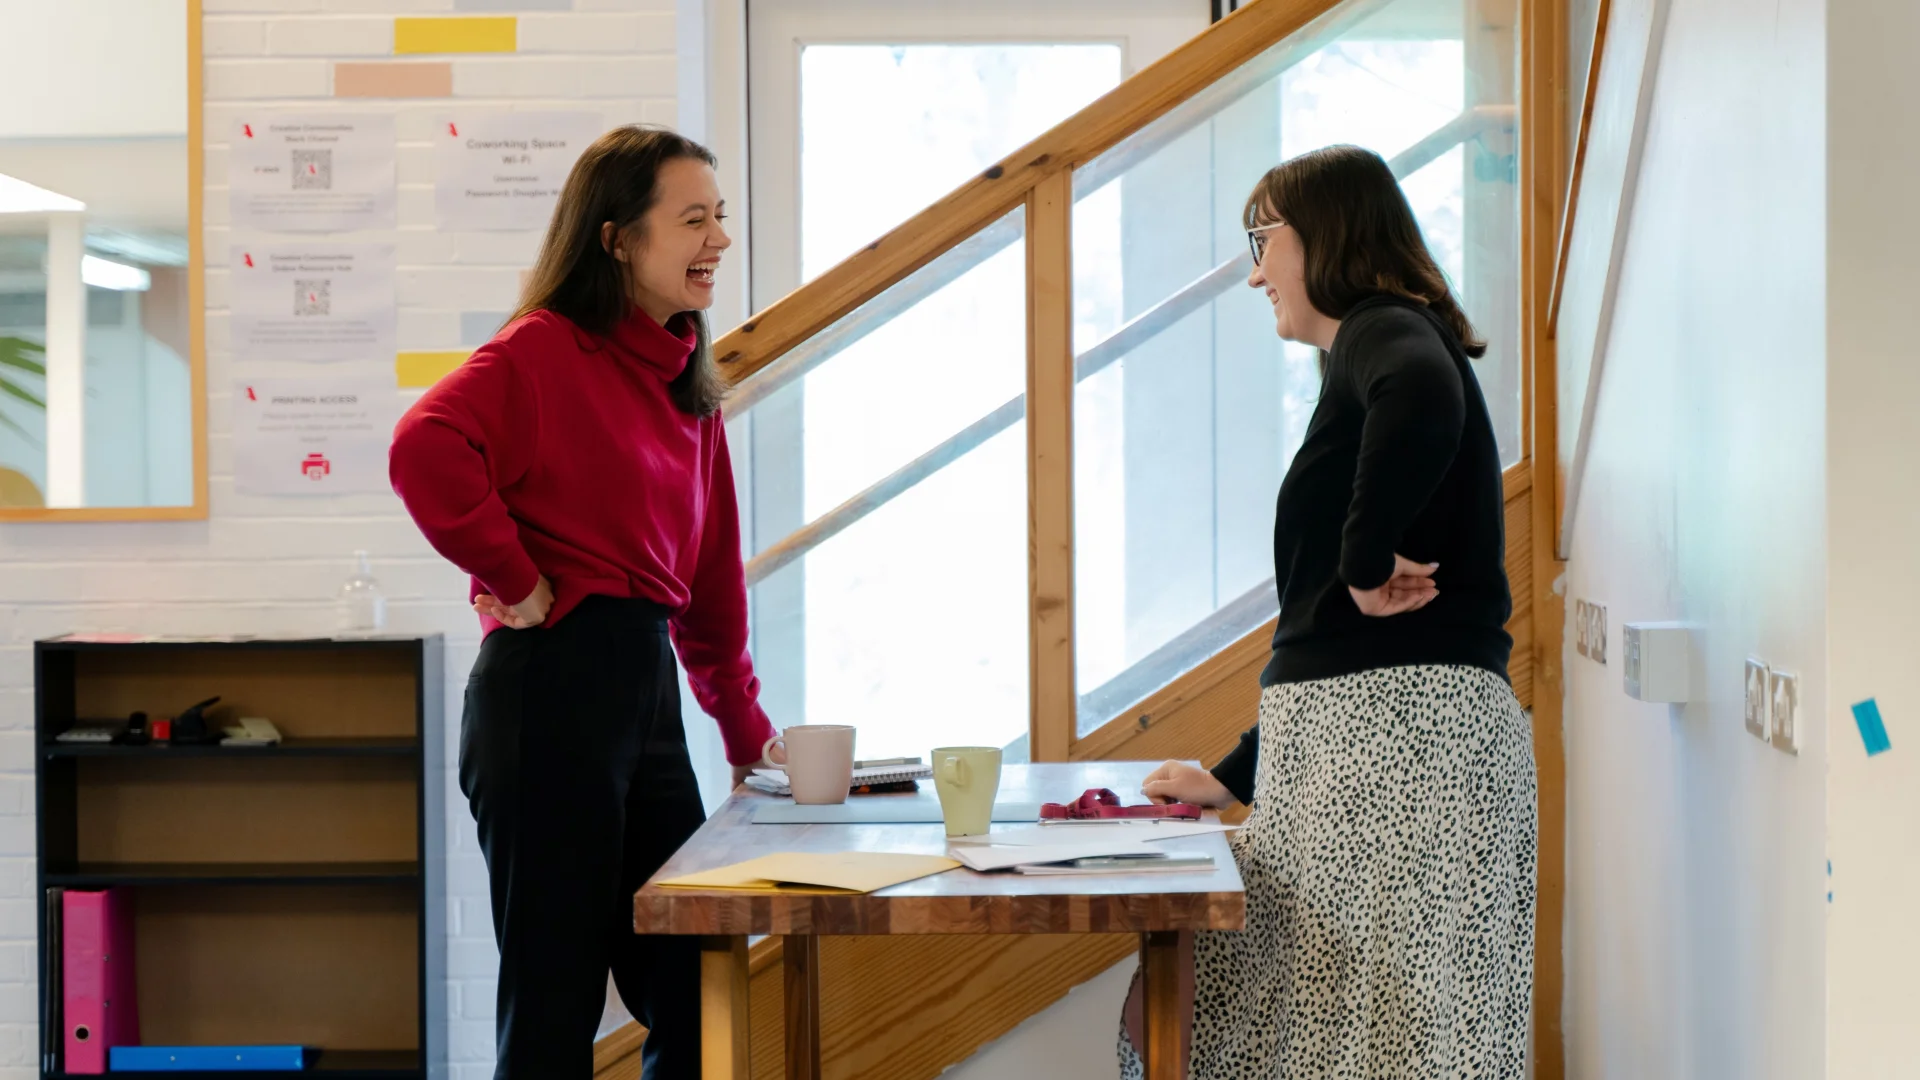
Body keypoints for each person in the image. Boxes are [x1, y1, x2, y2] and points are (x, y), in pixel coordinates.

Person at [1121, 145, 1537, 1078]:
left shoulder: (1383, 332)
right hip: (1381, 751)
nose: (1256, 269)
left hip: (1406, 760)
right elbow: (1332, 642)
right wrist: (1236, 774)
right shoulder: (1368, 349)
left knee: (1345, 1043)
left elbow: (1421, 395)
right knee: (1294, 1031)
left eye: (1263, 239)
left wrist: (1357, 561)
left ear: (1327, 234)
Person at [390, 125, 774, 1080]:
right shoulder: (542, 353)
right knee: (555, 1009)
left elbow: (712, 578)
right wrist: (515, 578)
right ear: (616, 239)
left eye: (719, 217)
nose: (717, 240)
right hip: (549, 689)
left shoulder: (687, 381)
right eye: (691, 220)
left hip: (641, 694)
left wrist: (742, 730)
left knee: (693, 992)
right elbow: (422, 447)